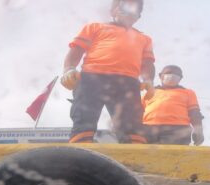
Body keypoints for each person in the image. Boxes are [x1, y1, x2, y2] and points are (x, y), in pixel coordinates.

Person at [60, 0, 154, 144]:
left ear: (138, 17)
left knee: (131, 122)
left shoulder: (144, 39)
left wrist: (149, 80)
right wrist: (69, 69)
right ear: (113, 11)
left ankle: (135, 153)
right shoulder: (94, 27)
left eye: (135, 10)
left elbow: (147, 63)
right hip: (92, 78)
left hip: (128, 83)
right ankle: (81, 147)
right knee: (84, 117)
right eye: (125, 8)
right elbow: (76, 50)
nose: (130, 13)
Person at [142, 65, 205, 145]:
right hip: (147, 129)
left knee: (171, 156)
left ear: (180, 78)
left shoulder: (188, 93)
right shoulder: (149, 93)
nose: (172, 75)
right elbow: (138, 112)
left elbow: (194, 113)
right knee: (144, 156)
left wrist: (198, 131)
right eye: (168, 73)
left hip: (177, 130)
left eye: (176, 74)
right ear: (160, 76)